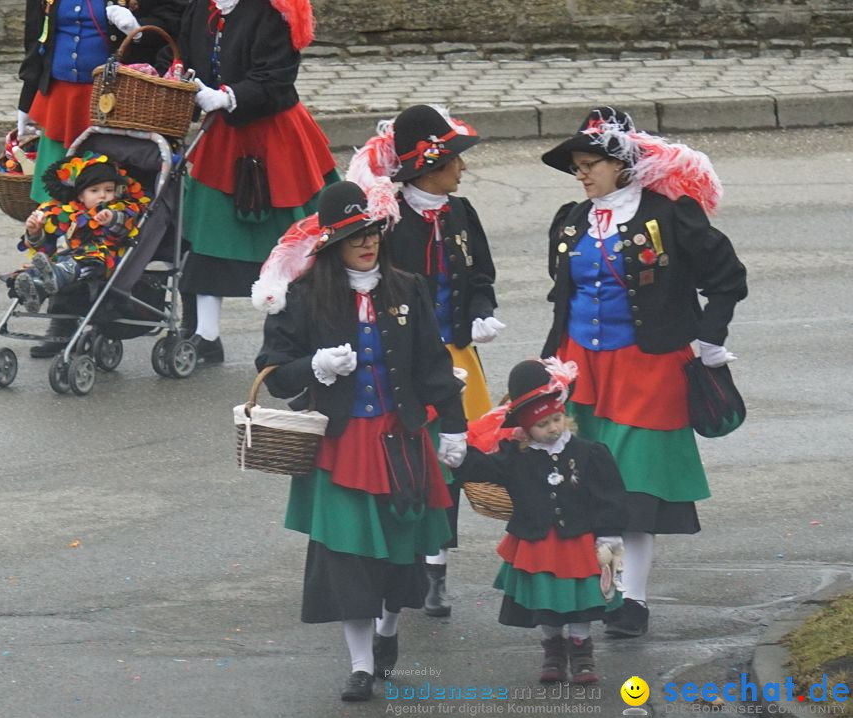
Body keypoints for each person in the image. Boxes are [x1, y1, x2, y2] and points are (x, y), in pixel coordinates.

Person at [255, 181, 467, 702]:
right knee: (346, 556)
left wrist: (456, 426)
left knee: (400, 552)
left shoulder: (408, 286)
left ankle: (388, 629)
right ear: (332, 247)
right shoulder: (304, 296)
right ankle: (359, 664)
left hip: (401, 439)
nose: (368, 244)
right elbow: (275, 374)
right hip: (341, 442)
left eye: (371, 233)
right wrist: (315, 367)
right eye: (355, 238)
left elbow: (431, 364)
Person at [539, 107, 747, 638]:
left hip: (648, 369)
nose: (581, 174)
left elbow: (727, 279)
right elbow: (563, 296)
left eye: (591, 164)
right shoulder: (568, 219)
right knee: (586, 488)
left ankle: (631, 600)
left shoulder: (671, 216)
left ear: (622, 164)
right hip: (579, 369)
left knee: (632, 493)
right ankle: (596, 588)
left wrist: (710, 336)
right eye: (577, 166)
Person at [346, 103, 503, 617]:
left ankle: (436, 566)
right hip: (403, 361)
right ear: (428, 167)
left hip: (457, 354)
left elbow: (480, 275)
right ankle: (404, 559)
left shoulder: (462, 213)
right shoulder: (387, 221)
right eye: (455, 159)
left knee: (451, 459)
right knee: (408, 455)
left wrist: (480, 311)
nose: (463, 167)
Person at [16, 0, 186, 354]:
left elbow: (172, 23)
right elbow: (39, 38)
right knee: (62, 209)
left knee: (107, 216)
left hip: (116, 108)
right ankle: (61, 319)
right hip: (61, 103)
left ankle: (98, 312)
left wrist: (134, 28)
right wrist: (26, 100)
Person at [173, 0, 338, 364]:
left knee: (297, 240)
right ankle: (205, 335)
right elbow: (186, 61)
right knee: (207, 237)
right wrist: (183, 81)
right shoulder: (201, 9)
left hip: (275, 135)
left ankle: (300, 334)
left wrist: (229, 96)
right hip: (221, 139)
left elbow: (277, 78)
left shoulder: (271, 12)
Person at [455, 357, 628, 684]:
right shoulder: (514, 456)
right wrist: (457, 451)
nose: (552, 427)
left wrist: (609, 534)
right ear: (525, 428)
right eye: (542, 424)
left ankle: (582, 651)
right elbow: (481, 469)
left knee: (580, 599)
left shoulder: (589, 453)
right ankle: (552, 650)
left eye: (557, 418)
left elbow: (610, 495)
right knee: (547, 601)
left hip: (578, 540)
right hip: (537, 542)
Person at [11, 153, 148, 312]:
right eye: (94, 190)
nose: (102, 195)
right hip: (63, 256)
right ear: (81, 196)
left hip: (99, 260)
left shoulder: (120, 208)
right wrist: (35, 233)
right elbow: (47, 245)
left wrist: (112, 219)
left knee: (88, 259)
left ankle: (58, 275)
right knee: (40, 266)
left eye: (109, 190)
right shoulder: (67, 213)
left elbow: (124, 227)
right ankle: (37, 287)